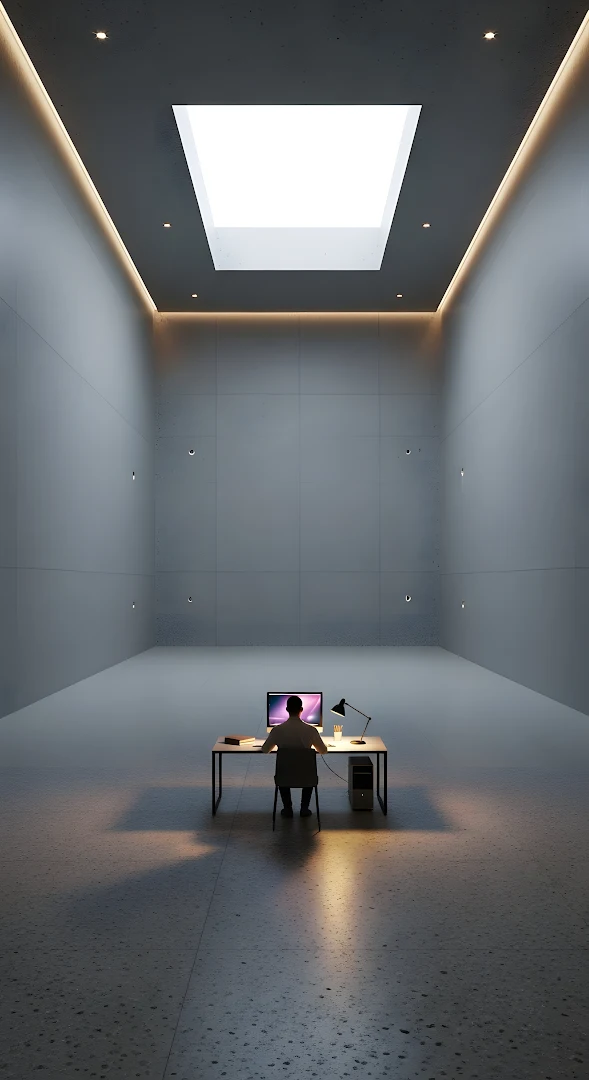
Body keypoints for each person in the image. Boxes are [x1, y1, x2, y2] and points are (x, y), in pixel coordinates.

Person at [260, 695, 328, 817]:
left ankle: (287, 808)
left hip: (284, 777)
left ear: (286, 709)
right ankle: (304, 808)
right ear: (301, 709)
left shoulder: (277, 730)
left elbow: (265, 750)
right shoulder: (311, 730)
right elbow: (323, 750)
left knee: (283, 772)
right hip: (306, 778)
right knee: (308, 772)